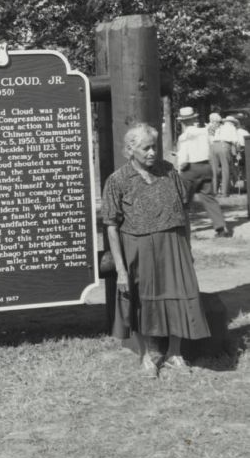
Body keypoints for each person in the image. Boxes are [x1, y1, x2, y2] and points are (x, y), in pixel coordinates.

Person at [102, 122, 210, 377]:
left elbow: (184, 211)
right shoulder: (117, 180)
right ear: (130, 150)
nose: (152, 153)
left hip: (173, 245)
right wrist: (120, 270)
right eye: (146, 148)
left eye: (154, 147)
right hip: (138, 249)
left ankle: (175, 353)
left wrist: (188, 246)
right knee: (138, 300)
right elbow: (111, 227)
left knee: (178, 295)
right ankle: (147, 355)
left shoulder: (169, 172)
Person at [176, 107, 230, 237]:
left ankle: (182, 229)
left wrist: (180, 168)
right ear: (194, 118)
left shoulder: (184, 136)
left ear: (182, 122)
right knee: (209, 198)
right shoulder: (204, 132)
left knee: (183, 200)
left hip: (190, 168)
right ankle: (220, 228)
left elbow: (183, 156)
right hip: (205, 166)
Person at [211, 115, 239, 196]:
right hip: (224, 146)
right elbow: (235, 141)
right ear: (232, 123)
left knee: (215, 170)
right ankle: (225, 192)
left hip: (214, 146)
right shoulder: (232, 128)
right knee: (225, 169)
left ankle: (214, 191)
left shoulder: (220, 127)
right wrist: (237, 151)